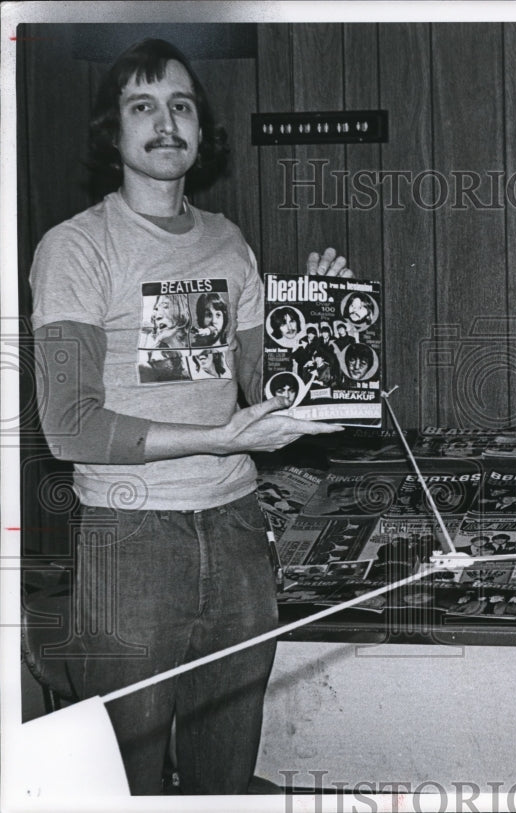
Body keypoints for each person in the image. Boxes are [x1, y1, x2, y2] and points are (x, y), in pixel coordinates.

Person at [29, 38, 352, 796]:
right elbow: (70, 423)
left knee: (223, 776)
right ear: (115, 132)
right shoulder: (76, 248)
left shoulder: (229, 242)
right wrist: (219, 437)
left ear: (203, 131)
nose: (166, 122)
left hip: (238, 534)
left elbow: (259, 380)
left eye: (182, 106)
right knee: (127, 779)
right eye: (143, 106)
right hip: (130, 539)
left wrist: (314, 316)